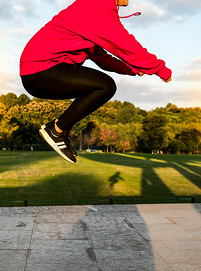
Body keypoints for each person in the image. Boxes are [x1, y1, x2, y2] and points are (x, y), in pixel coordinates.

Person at [20, 0, 172, 163]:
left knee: (103, 86)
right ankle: (56, 130)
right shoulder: (97, 5)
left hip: (38, 74)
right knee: (105, 86)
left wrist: (133, 69)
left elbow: (102, 58)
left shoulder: (94, 10)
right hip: (41, 70)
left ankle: (59, 130)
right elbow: (125, 45)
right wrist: (159, 68)